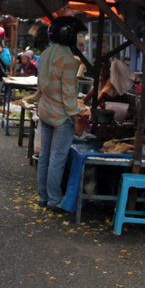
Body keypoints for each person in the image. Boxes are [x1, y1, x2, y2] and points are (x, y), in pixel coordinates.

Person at [36, 17, 89, 209]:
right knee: (57, 159)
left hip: (45, 111)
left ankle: (43, 197)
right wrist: (76, 119)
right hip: (61, 116)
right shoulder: (67, 59)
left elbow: (40, 86)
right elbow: (69, 95)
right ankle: (54, 200)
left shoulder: (46, 53)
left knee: (44, 157)